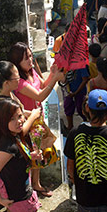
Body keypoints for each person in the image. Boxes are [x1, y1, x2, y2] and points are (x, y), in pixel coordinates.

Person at [8, 42, 64, 195]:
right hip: (27, 120)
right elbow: (40, 95)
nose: (30, 60)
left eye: (31, 56)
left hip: (38, 117)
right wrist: (56, 78)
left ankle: (36, 184)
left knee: (38, 151)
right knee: (30, 154)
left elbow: (43, 85)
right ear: (17, 62)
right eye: (26, 58)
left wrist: (52, 74)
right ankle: (32, 186)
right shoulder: (19, 82)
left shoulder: (31, 71)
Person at [0, 61, 42, 133]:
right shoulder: (3, 104)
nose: (19, 80)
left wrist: (28, 113)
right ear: (6, 83)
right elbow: (20, 131)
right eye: (16, 78)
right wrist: (33, 117)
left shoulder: (6, 92)